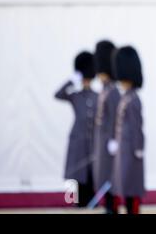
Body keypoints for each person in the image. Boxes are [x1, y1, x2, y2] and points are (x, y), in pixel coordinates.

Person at [55, 51, 97, 207]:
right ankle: (74, 201)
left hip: (92, 140)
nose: (85, 81)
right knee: (76, 172)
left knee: (91, 172)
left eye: (87, 78)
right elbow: (58, 94)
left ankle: (92, 202)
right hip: (77, 139)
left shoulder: (97, 96)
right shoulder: (75, 95)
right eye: (83, 78)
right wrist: (71, 80)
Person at [111, 46, 145, 214]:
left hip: (131, 150)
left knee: (131, 185)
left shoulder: (133, 99)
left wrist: (138, 148)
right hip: (123, 149)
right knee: (123, 184)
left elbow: (137, 125)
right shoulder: (126, 97)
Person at [93, 40, 120, 214]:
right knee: (103, 178)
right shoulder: (104, 90)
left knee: (111, 179)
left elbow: (115, 119)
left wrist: (113, 140)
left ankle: (112, 209)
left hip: (110, 143)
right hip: (102, 142)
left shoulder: (113, 91)